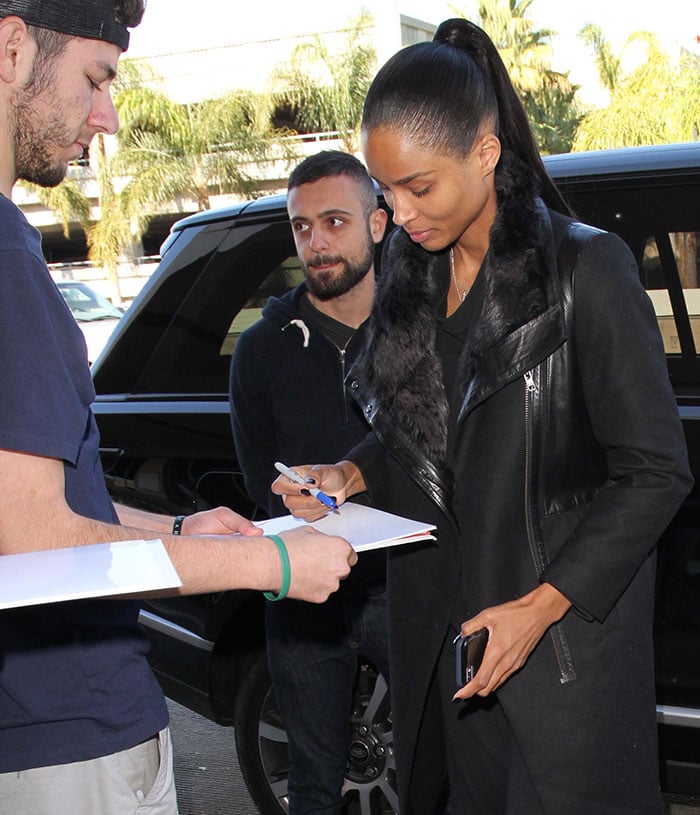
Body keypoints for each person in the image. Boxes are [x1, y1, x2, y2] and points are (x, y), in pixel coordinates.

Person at [272, 18, 694, 815]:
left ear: (486, 154)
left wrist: (540, 605)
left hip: (559, 662)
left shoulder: (583, 270)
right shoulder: (415, 283)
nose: (397, 214)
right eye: (385, 190)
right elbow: (436, 445)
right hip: (452, 658)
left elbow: (656, 471)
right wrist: (353, 470)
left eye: (419, 187)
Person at [0, 4, 356, 814]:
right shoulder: (6, 264)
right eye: (95, 77)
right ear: (13, 47)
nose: (109, 114)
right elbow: (32, 542)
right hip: (67, 732)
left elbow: (39, 507)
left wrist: (176, 529)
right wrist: (272, 563)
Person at [230, 150, 389, 814]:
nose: (316, 243)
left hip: (404, 583)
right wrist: (287, 499)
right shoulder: (261, 349)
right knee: (314, 781)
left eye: (333, 221)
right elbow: (256, 475)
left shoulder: (422, 329)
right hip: (301, 595)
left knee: (444, 758)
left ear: (378, 224)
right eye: (301, 227)